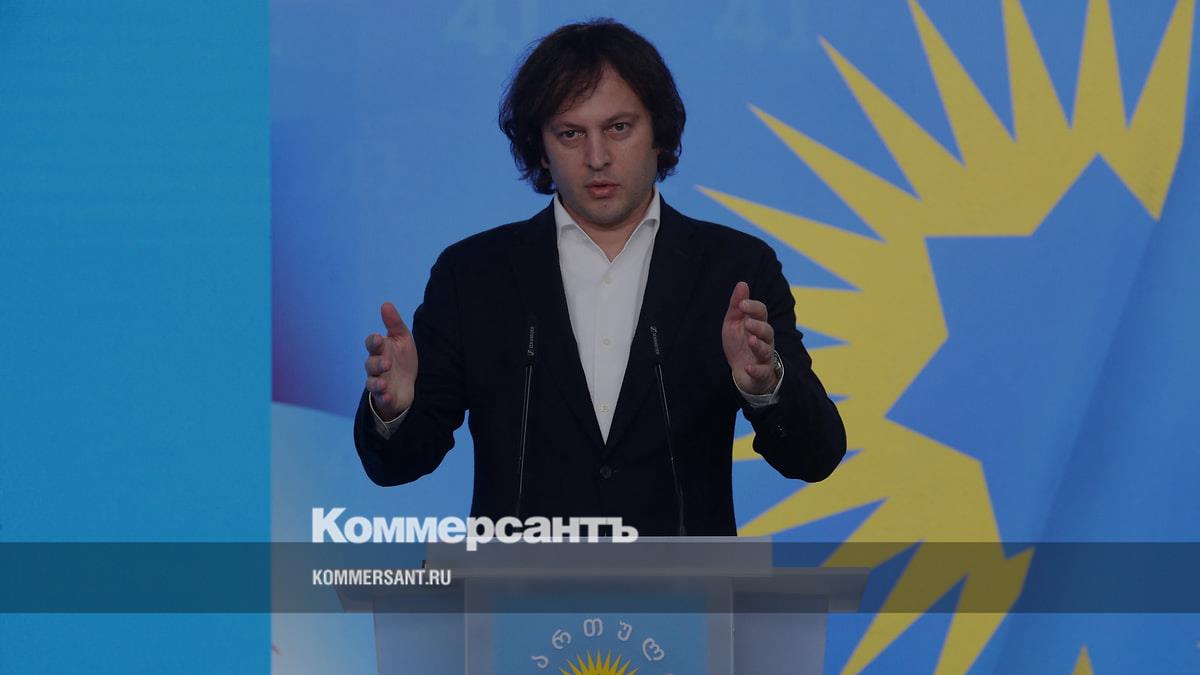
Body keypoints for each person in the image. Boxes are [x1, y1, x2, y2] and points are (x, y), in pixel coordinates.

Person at [353, 18, 845, 536]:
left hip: (685, 583)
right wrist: (395, 410)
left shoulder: (734, 270)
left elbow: (816, 458)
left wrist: (767, 388)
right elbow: (397, 465)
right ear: (540, 148)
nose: (597, 158)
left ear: (659, 133)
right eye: (570, 134)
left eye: (618, 128)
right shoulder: (473, 275)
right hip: (519, 583)